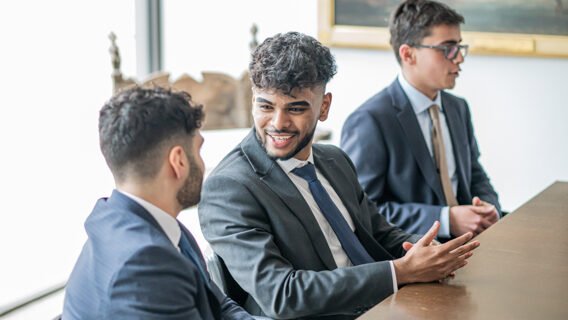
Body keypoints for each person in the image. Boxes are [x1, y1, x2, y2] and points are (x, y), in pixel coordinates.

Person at [198, 31, 479, 320]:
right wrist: (400, 271)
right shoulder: (229, 188)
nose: (278, 123)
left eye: (295, 108)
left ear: (324, 107)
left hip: (388, 304)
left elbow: (380, 233)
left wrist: (428, 250)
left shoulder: (334, 159)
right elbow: (281, 295)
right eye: (266, 106)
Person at [63, 87, 252, 320]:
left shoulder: (127, 219)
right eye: (198, 150)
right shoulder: (146, 266)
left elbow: (218, 305)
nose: (203, 166)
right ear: (178, 161)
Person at [341, 0, 501, 240]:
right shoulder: (370, 120)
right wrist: (447, 220)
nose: (459, 59)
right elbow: (362, 212)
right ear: (408, 54)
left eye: (459, 47)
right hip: (417, 252)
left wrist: (489, 208)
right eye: (447, 48)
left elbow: (476, 174)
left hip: (473, 242)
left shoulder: (458, 108)